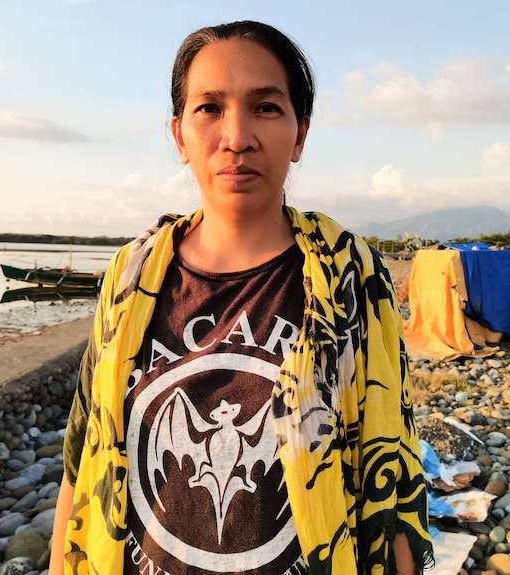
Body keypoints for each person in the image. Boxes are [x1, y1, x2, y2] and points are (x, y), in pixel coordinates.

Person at [50, 20, 433, 575]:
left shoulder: (350, 277)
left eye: (266, 108)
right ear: (179, 135)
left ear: (299, 134)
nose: (237, 136)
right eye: (209, 108)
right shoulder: (129, 277)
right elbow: (82, 455)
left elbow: (390, 464)